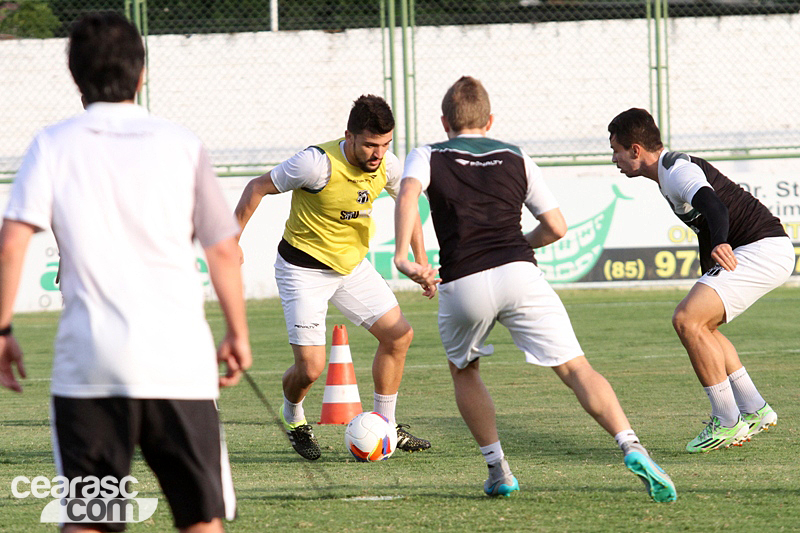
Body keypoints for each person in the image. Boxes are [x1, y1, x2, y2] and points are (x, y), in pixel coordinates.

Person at [0, 12, 251, 533]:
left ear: (75, 77)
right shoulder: (182, 144)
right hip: (178, 362)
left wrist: (2, 330)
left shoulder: (53, 144)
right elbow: (224, 249)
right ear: (142, 73)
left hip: (90, 364)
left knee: (91, 520)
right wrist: (237, 332)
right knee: (200, 519)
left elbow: (11, 246)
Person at [394, 76, 676, 502]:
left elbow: (408, 193)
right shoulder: (516, 155)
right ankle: (631, 445)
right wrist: (515, 246)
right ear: (489, 120)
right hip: (519, 273)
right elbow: (557, 227)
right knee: (577, 369)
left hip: (463, 280)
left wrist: (403, 256)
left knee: (464, 370)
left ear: (444, 120)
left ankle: (498, 470)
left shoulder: (427, 154)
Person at [234, 95, 433, 460]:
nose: (378, 154)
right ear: (350, 136)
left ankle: (386, 424)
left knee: (399, 336)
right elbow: (256, 187)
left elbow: (409, 206)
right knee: (310, 368)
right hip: (302, 270)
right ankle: (293, 418)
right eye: (371, 145)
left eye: (385, 145)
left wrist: (420, 262)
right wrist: (231, 240)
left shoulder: (386, 166)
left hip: (351, 268)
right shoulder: (315, 164)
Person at [608, 108, 794, 453]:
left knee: (686, 320)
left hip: (761, 248)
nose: (614, 160)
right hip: (765, 249)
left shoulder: (677, 170)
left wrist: (722, 242)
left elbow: (716, 208)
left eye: (616, 151)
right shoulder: (667, 175)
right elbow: (706, 227)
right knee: (702, 325)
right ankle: (754, 409)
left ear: (635, 150)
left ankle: (727, 420)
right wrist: (707, 268)